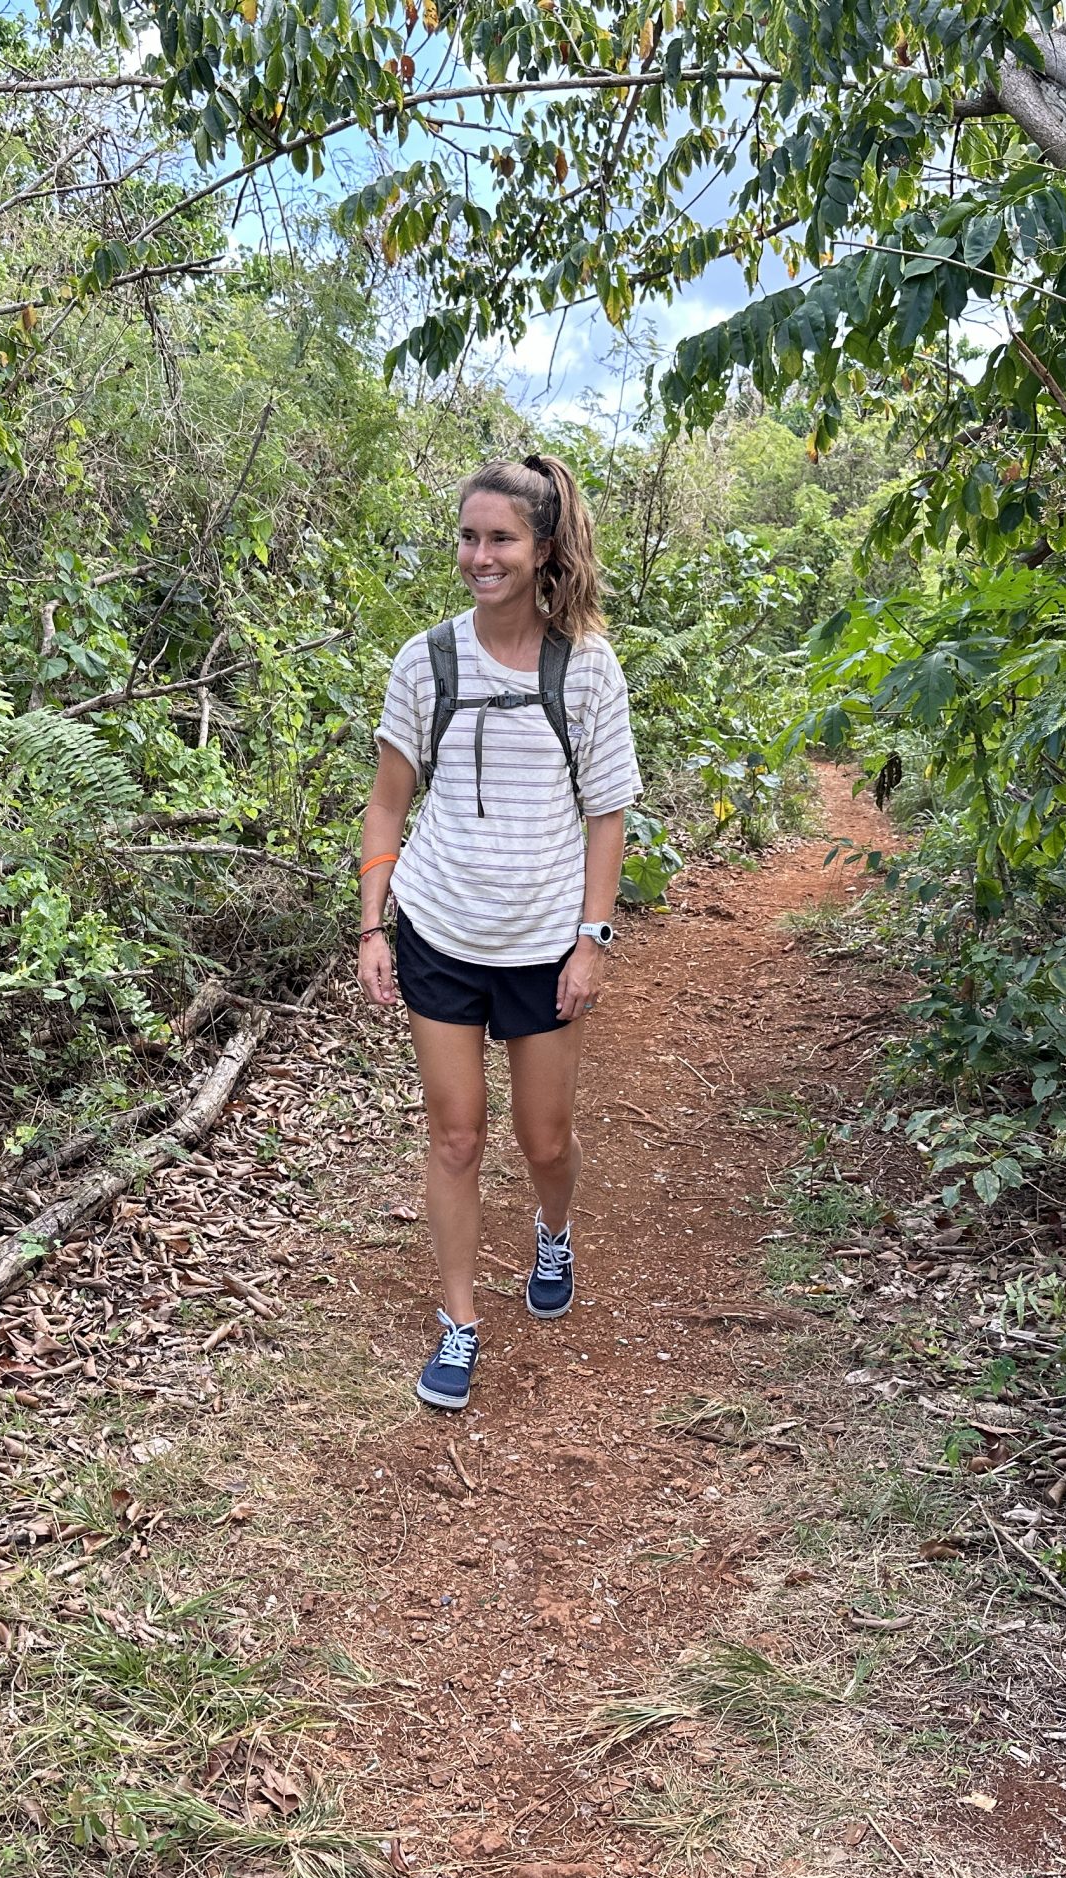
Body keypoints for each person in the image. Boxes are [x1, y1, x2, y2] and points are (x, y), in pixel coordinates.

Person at [354, 453, 642, 1413]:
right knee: (455, 1137)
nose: (481, 556)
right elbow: (388, 804)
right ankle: (459, 1322)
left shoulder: (587, 666)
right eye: (469, 537)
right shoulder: (426, 661)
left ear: (544, 548)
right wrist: (371, 927)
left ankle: (552, 1231)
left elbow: (609, 814)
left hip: (544, 939)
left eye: (501, 539)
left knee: (545, 1140)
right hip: (439, 928)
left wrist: (592, 938)